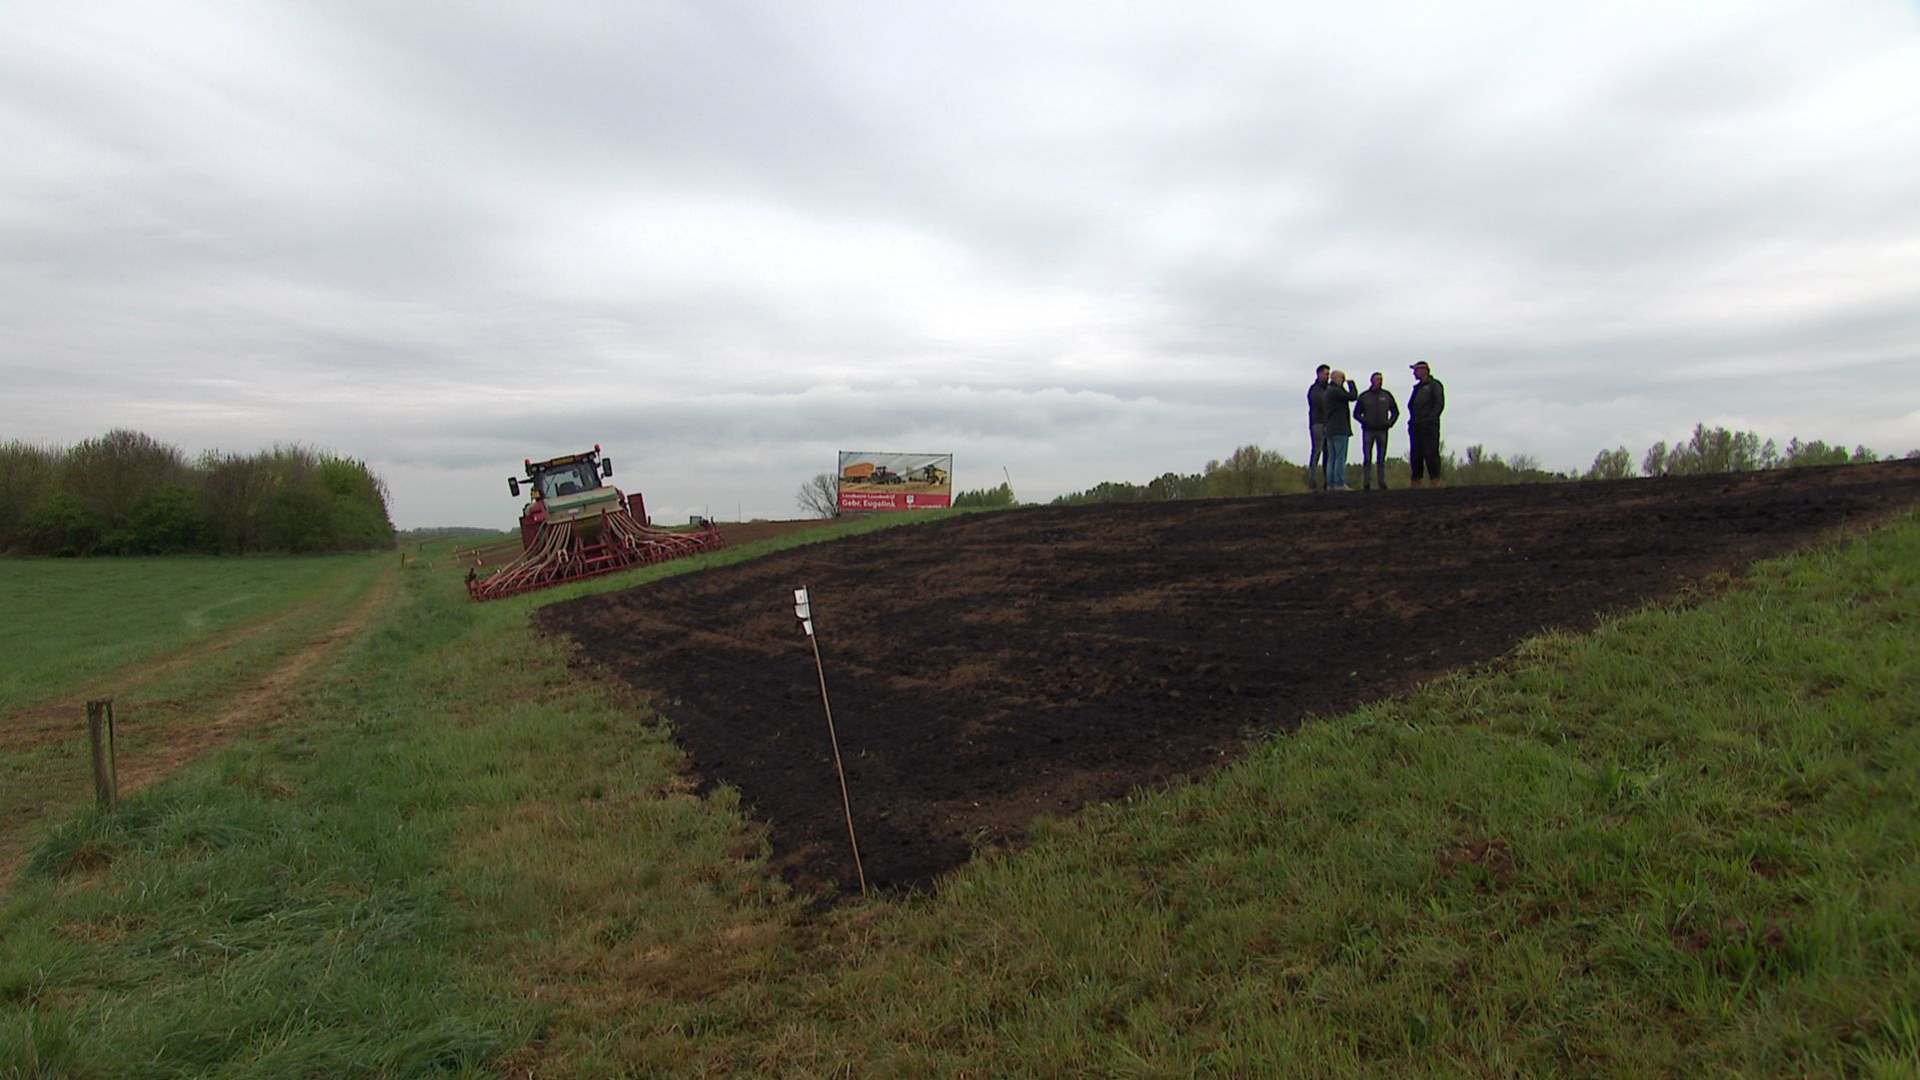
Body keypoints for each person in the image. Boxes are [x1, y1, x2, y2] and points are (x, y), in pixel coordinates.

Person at [1354, 371, 1400, 490]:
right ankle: (1367, 482)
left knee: (1381, 458)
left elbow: (1395, 412)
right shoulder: (1364, 396)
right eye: (1378, 379)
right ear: (1372, 380)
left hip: (1382, 430)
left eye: (1381, 379)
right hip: (1368, 430)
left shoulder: (1386, 395)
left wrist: (1390, 423)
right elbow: (1356, 413)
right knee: (1367, 457)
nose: (1380, 381)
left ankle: (1381, 482)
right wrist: (1365, 421)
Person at [1407, 360, 1446, 486]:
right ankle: (1416, 480)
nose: (1414, 373)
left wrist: (1431, 419)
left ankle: (1435, 478)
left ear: (1424, 370)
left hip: (1429, 425)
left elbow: (1438, 404)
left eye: (1415, 370)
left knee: (1431, 452)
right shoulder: (1417, 388)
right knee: (1416, 453)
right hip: (1416, 425)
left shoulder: (1435, 385)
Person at [1322, 369, 1358, 490]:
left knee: (1331, 458)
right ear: (1335, 378)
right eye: (1342, 378)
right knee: (1340, 457)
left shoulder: (1328, 392)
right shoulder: (1336, 392)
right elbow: (1353, 397)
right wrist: (1351, 384)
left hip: (1329, 428)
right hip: (1339, 428)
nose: (1343, 380)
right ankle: (1339, 482)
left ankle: (1331, 484)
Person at [1305, 364, 1331, 491]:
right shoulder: (1314, 390)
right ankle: (1313, 481)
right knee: (1317, 451)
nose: (1328, 377)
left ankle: (1327, 481)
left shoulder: (1328, 389)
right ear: (1319, 374)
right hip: (1318, 423)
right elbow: (1323, 403)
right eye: (1326, 374)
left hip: (1328, 423)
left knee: (1328, 453)